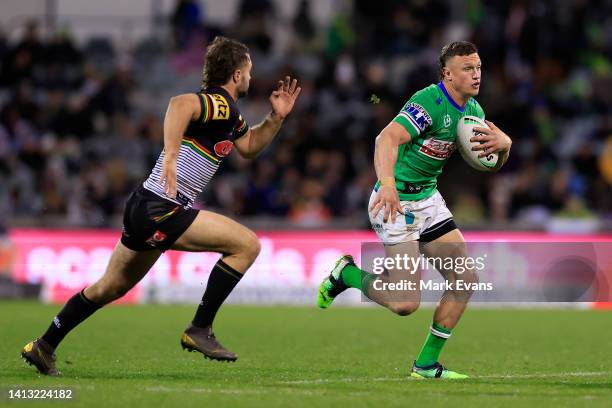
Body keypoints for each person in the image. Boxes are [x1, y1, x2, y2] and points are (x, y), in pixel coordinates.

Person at [22, 36, 301, 376]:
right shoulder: (219, 103)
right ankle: (200, 328)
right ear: (237, 74)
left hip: (145, 204)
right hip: (163, 207)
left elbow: (250, 146)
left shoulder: (228, 115)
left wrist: (276, 117)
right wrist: (170, 154)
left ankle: (44, 345)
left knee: (110, 287)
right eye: (250, 71)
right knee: (247, 245)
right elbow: (179, 104)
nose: (252, 78)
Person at [317, 41, 511, 379]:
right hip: (395, 202)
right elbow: (385, 140)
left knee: (465, 279)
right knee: (405, 303)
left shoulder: (474, 114)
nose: (476, 74)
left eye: (478, 67)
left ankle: (425, 365)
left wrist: (505, 147)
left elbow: (489, 163)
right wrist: (388, 184)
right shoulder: (428, 102)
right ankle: (345, 274)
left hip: (428, 201)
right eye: (468, 68)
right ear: (447, 74)